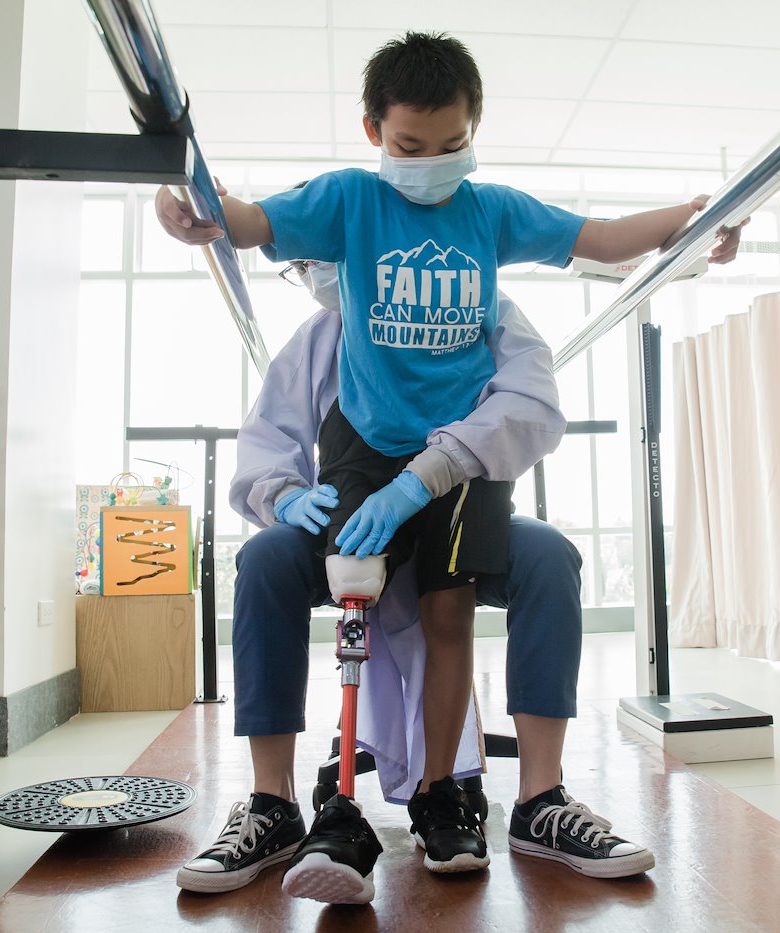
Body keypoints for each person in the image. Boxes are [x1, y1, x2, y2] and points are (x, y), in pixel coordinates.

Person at [157, 32, 747, 880]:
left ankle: (522, 797)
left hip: (457, 482)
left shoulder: (491, 279)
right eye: (407, 147)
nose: (429, 165)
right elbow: (250, 225)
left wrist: (696, 225)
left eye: (450, 146)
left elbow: (602, 246)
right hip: (354, 479)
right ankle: (276, 803)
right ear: (374, 136)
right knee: (265, 561)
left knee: (531, 567)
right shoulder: (339, 259)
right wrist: (200, 211)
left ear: (474, 132)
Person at [173, 262, 656, 904]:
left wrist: (431, 472)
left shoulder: (472, 308)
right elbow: (273, 434)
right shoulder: (322, 337)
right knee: (265, 559)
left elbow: (529, 405)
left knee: (548, 556)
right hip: (353, 520)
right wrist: (284, 495)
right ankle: (274, 804)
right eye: (306, 265)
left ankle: (540, 799)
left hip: (460, 508)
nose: (320, 272)